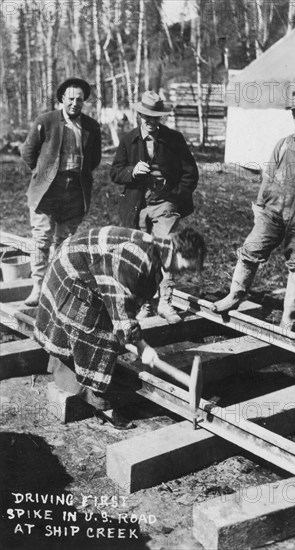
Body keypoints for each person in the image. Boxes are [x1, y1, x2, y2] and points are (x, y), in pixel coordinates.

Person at [34, 225, 206, 429]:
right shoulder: (139, 258)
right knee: (97, 334)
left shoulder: (156, 252)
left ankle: (69, 368)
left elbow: (128, 300)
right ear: (177, 251)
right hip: (72, 273)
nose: (183, 273)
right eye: (186, 267)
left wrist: (136, 341)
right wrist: (142, 346)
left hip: (86, 270)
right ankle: (100, 403)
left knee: (107, 330)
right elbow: (121, 309)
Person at [213, 89, 295, 330]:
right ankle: (235, 294)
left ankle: (288, 319)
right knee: (250, 249)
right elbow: (268, 176)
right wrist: (259, 205)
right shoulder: (284, 143)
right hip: (272, 212)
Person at [110, 90, 199, 324]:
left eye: (156, 117)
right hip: (137, 206)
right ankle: (145, 304)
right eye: (147, 117)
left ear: (161, 118)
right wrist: (132, 171)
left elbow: (191, 173)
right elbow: (115, 172)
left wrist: (175, 196)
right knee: (142, 255)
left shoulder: (174, 139)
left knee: (166, 248)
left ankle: (166, 303)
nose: (151, 122)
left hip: (165, 205)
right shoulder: (128, 140)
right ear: (140, 115)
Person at [21, 77, 102, 307]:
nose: (75, 103)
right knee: (41, 239)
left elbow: (94, 159)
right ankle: (37, 286)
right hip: (47, 190)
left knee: (65, 242)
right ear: (62, 99)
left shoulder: (91, 127)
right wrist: (41, 173)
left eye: (80, 99)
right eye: (71, 99)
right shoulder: (46, 121)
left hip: (75, 190)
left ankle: (55, 286)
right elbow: (28, 152)